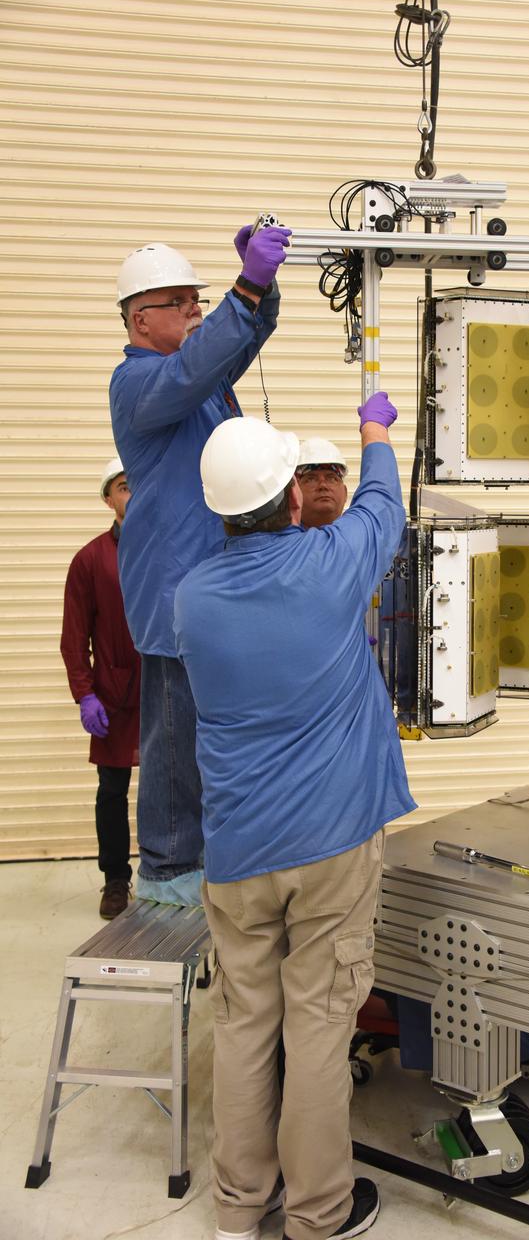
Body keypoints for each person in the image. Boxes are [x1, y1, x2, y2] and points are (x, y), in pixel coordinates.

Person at [173, 394, 415, 1240]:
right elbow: (386, 506)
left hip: (236, 852)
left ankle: (239, 1208)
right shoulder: (330, 564)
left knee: (244, 1024)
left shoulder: (192, 599)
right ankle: (318, 1214)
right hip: (331, 845)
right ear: (290, 501)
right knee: (317, 1024)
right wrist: (376, 431)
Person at [109, 223, 291, 905]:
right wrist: (243, 288)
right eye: (181, 301)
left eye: (199, 298)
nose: (195, 310)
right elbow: (200, 360)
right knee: (173, 733)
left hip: (214, 585)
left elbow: (232, 340)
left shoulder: (195, 376)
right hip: (172, 587)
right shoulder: (140, 382)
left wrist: (261, 292)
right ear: (140, 317)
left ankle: (215, 852)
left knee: (214, 727)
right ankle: (165, 867)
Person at [60, 457, 141, 919]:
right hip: (113, 695)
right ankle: (115, 880)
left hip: (164, 690)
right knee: (112, 789)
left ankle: (166, 871)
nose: (134, 494)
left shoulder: (166, 549)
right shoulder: (90, 560)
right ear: (109, 499)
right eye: (125, 487)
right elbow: (74, 637)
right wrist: (85, 693)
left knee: (170, 789)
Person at [296, 437, 348, 528]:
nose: (323, 485)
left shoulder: (363, 538)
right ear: (294, 493)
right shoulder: (277, 540)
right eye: (311, 479)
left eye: (332, 479)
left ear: (345, 493)